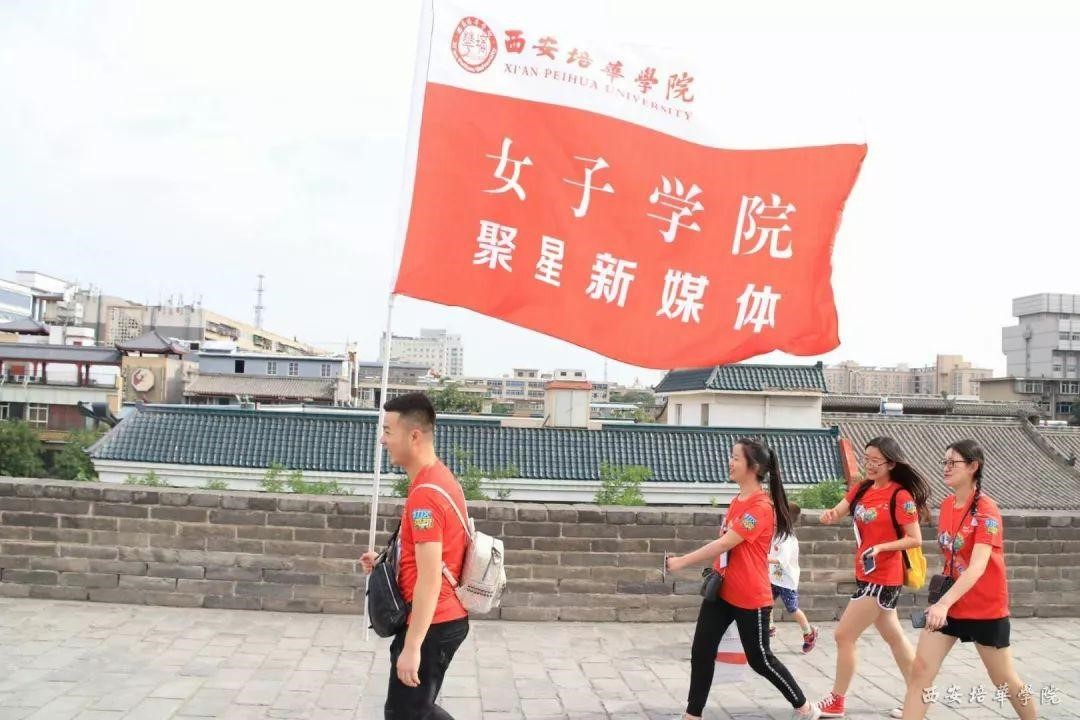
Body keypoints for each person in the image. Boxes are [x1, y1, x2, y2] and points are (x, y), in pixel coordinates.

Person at [665, 438, 822, 720]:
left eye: (736, 458)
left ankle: (804, 707)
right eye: (732, 456)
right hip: (723, 589)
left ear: (754, 467)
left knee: (760, 660)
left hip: (750, 596)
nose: (730, 462)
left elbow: (725, 543)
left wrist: (681, 562)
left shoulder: (760, 508)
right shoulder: (738, 500)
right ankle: (693, 714)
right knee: (702, 650)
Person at [901, 440, 1034, 720]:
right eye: (945, 462)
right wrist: (943, 603)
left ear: (973, 466)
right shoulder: (947, 505)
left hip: (984, 608)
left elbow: (977, 567)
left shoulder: (987, 511)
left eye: (953, 463)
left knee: (1003, 679)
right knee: (920, 670)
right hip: (950, 606)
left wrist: (942, 604)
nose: (946, 468)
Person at [361, 393, 470, 720]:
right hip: (441, 619)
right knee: (415, 711)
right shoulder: (439, 478)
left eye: (388, 431)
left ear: (414, 436)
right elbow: (435, 553)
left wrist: (412, 647)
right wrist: (385, 562)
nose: (382, 440)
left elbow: (430, 578)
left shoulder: (425, 496)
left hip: (432, 623)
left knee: (405, 713)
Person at [816, 437, 930, 719]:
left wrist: (882, 547)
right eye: (866, 458)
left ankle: (837, 700)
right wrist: (830, 515)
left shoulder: (900, 497)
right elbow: (841, 509)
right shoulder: (863, 488)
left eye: (875, 460)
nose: (869, 465)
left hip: (884, 577)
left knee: (844, 635)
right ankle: (920, 697)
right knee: (895, 637)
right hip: (866, 573)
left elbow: (914, 539)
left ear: (891, 463)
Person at [768, 502, 818, 653]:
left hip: (787, 581)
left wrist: (762, 557)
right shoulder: (775, 533)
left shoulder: (788, 539)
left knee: (792, 609)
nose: (772, 517)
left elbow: (780, 560)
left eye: (776, 515)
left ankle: (809, 633)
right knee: (766, 602)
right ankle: (769, 627)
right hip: (773, 578)